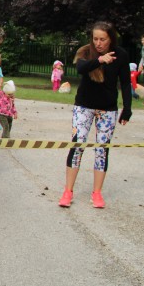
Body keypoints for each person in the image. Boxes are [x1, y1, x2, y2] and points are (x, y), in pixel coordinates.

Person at [59, 22, 132, 209]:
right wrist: (100, 60)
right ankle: (68, 191)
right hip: (84, 106)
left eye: (102, 39)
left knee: (102, 150)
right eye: (95, 39)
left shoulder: (121, 55)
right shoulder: (85, 51)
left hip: (107, 109)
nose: (98, 43)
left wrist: (127, 108)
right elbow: (81, 69)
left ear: (111, 39)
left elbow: (125, 83)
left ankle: (97, 193)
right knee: (78, 145)